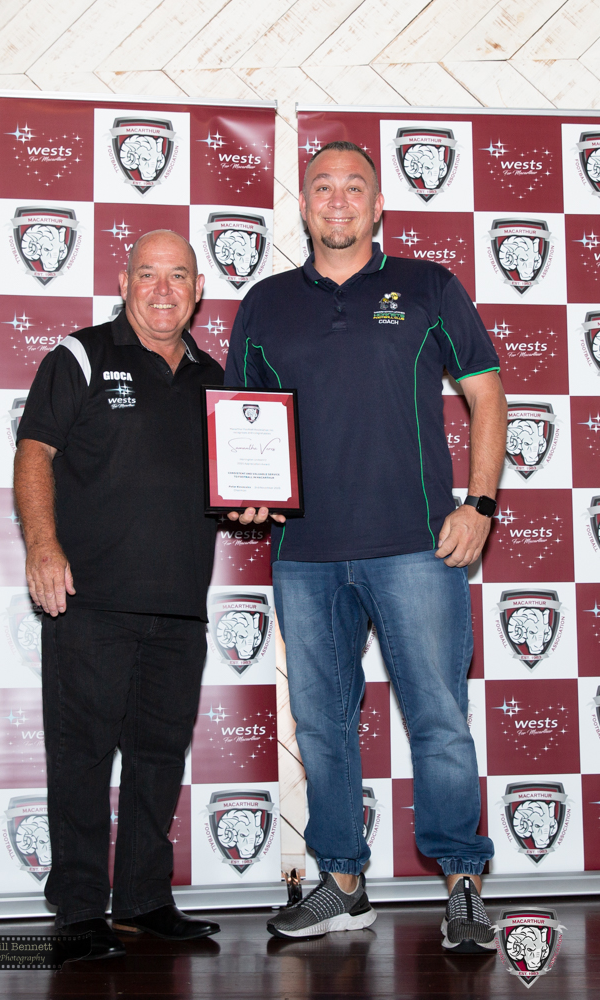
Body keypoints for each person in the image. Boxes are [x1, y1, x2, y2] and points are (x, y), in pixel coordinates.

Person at [224, 141, 507, 951]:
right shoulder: (265, 302)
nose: (338, 199)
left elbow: (487, 394)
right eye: (323, 187)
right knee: (319, 726)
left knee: (438, 719)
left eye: (355, 187)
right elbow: (244, 423)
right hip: (305, 553)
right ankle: (343, 884)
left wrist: (479, 505)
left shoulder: (426, 285)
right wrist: (247, 493)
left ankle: (462, 884)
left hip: (415, 546)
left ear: (378, 205)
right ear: (303, 204)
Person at [14, 230, 224, 959]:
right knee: (80, 757)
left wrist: (254, 502)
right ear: (123, 283)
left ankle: (142, 899)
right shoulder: (79, 356)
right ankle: (78, 911)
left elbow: (234, 481)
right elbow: (34, 452)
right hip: (91, 601)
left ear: (198, 290)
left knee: (159, 757)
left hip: (180, 605)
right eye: (147, 274)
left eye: (178, 276)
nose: (163, 289)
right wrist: (43, 546)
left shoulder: (215, 379)